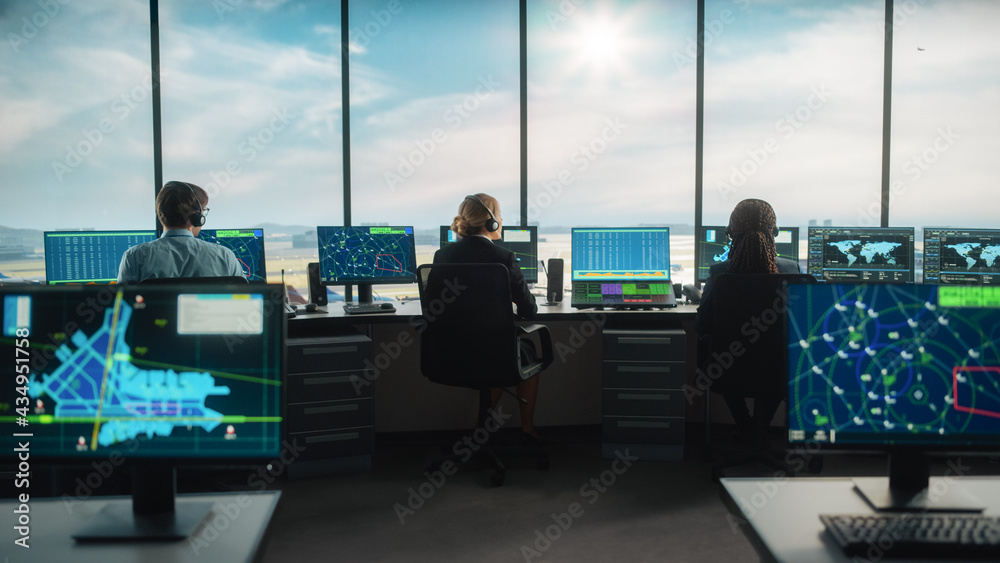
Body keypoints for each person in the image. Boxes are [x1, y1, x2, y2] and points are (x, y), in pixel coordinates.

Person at [432, 193, 542, 444]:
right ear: (491, 222)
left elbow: (432, 309)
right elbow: (529, 311)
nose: (502, 220)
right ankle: (526, 428)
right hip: (494, 355)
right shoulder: (503, 258)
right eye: (500, 214)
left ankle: (479, 429)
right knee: (523, 350)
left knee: (493, 348)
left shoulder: (442, 257)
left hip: (449, 355)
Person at [695, 198, 801, 442]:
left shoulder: (720, 274)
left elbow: (702, 326)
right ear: (774, 232)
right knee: (776, 365)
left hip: (729, 369)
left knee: (726, 364)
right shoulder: (792, 269)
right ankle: (759, 430)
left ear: (730, 233)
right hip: (780, 368)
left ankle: (746, 427)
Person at [117, 181, 243, 284]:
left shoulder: (133, 256)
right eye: (203, 211)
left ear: (161, 214)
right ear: (197, 217)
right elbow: (244, 301)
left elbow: (122, 305)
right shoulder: (225, 257)